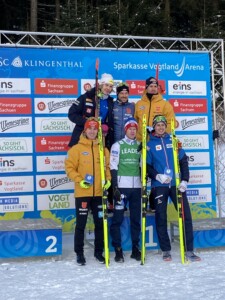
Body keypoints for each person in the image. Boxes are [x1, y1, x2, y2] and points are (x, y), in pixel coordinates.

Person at [146, 115, 201, 262]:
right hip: (160, 186)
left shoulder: (174, 140)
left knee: (185, 216)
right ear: (154, 127)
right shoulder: (149, 144)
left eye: (163, 125)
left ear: (166, 126)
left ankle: (189, 250)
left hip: (176, 185)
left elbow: (183, 162)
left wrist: (184, 180)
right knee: (161, 216)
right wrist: (158, 176)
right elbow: (147, 166)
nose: (161, 127)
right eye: (158, 125)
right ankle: (166, 250)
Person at [65, 117, 111, 266]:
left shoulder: (103, 150)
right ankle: (79, 253)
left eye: (94, 129)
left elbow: (107, 168)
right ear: (85, 130)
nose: (92, 131)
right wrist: (79, 180)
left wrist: (108, 180)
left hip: (99, 193)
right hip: (83, 193)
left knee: (100, 224)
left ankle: (99, 252)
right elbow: (69, 168)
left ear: (98, 131)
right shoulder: (76, 149)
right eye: (89, 128)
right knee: (81, 224)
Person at [110, 117, 142, 263]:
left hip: (136, 188)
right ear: (125, 130)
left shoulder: (141, 145)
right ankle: (118, 249)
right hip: (122, 188)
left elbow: (143, 166)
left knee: (136, 219)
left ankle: (135, 248)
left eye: (135, 129)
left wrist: (144, 185)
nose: (132, 131)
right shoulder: (117, 145)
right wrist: (115, 187)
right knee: (117, 219)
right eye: (130, 128)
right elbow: (113, 166)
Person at [68, 73, 114, 149]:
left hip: (99, 138)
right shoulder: (86, 97)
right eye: (106, 85)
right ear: (101, 85)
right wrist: (87, 122)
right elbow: (72, 114)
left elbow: (108, 119)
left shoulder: (110, 101)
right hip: (83, 136)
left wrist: (106, 126)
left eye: (110, 86)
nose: (108, 88)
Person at [134, 76, 175, 142]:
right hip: (141, 141)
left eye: (155, 86)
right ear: (146, 87)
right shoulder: (139, 104)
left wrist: (158, 132)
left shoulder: (165, 104)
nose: (153, 88)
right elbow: (135, 121)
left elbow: (172, 123)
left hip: (158, 141)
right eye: (151, 86)